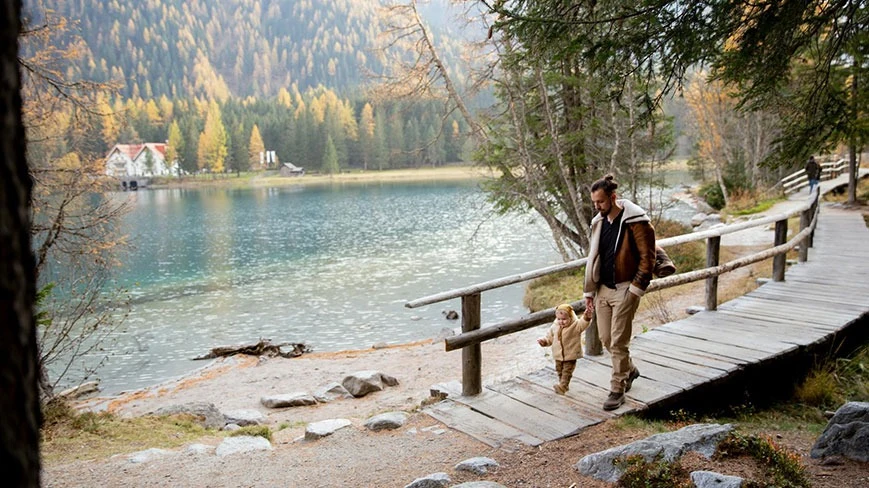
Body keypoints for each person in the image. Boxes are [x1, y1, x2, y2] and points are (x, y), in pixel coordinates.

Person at [583, 174, 656, 410]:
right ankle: (630, 369)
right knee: (606, 339)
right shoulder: (599, 222)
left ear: (613, 198)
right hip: (602, 289)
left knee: (618, 341)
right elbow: (593, 258)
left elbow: (648, 258)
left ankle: (617, 388)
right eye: (595, 202)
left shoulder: (636, 222)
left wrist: (635, 290)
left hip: (626, 288)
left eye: (601, 202)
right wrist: (589, 291)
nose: (597, 206)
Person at [537, 304, 592, 395]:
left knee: (567, 371)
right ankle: (563, 384)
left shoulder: (575, 325)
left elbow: (583, 324)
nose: (561, 322)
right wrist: (544, 342)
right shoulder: (555, 326)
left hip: (571, 354)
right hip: (558, 355)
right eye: (559, 319)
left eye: (564, 319)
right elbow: (550, 338)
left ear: (570, 317)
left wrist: (586, 317)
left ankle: (563, 386)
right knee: (559, 370)